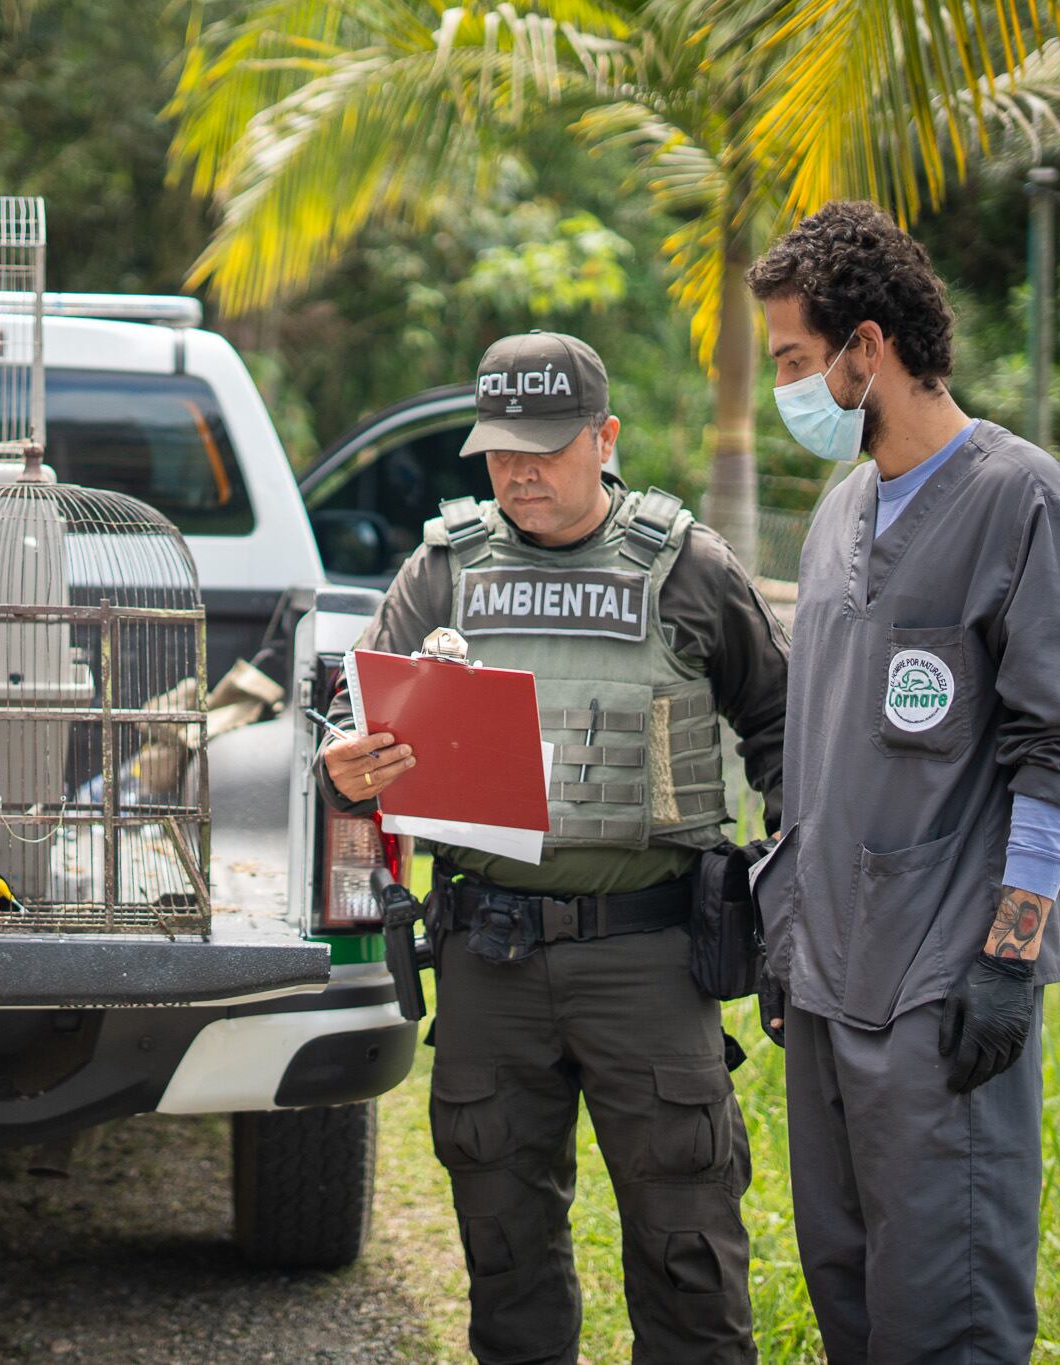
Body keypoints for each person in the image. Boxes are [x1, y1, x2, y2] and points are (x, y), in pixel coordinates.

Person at [316, 330, 788, 1364]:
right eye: (498, 451)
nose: (518, 472)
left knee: (687, 1251)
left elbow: (782, 728)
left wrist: (794, 897)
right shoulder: (441, 573)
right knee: (505, 1252)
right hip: (490, 956)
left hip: (650, 957)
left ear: (603, 437)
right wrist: (342, 769)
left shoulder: (687, 568)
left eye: (544, 447)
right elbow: (344, 730)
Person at [745, 202, 1060, 1363]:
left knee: (944, 1311)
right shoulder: (837, 512)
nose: (785, 390)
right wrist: (784, 931)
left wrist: (1007, 959)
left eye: (795, 361)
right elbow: (819, 749)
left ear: (868, 349)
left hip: (942, 987)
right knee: (846, 1293)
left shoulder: (1018, 498)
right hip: (827, 979)